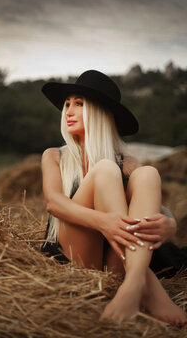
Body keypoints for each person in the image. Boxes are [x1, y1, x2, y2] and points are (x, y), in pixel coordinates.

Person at [40, 70, 187, 326]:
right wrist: (103, 221)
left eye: (79, 104)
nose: (68, 111)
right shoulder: (54, 156)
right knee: (106, 170)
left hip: (114, 258)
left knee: (148, 174)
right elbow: (54, 203)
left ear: (101, 113)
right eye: (66, 105)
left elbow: (152, 209)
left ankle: (132, 285)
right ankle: (147, 289)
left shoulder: (127, 163)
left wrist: (170, 223)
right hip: (74, 253)